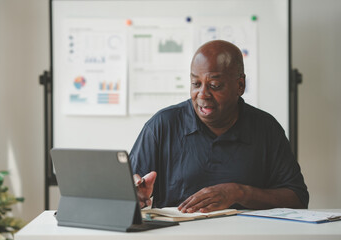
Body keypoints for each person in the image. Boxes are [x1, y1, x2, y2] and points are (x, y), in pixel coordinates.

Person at [130, 40, 309, 213]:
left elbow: (298, 199)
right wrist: (134, 195)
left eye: (214, 85)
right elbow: (124, 192)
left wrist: (239, 193)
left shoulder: (266, 129)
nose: (202, 94)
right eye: (196, 84)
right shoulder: (163, 125)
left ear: (240, 85)